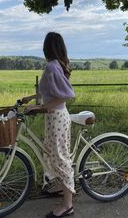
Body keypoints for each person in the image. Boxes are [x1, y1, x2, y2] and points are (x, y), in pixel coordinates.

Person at [23, 32, 75, 218]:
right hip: (54, 118)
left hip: (57, 118)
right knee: (51, 153)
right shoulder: (55, 66)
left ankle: (68, 205)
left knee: (60, 158)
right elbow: (50, 91)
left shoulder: (52, 67)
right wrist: (30, 99)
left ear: (47, 47)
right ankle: (60, 186)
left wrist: (40, 107)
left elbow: (67, 94)